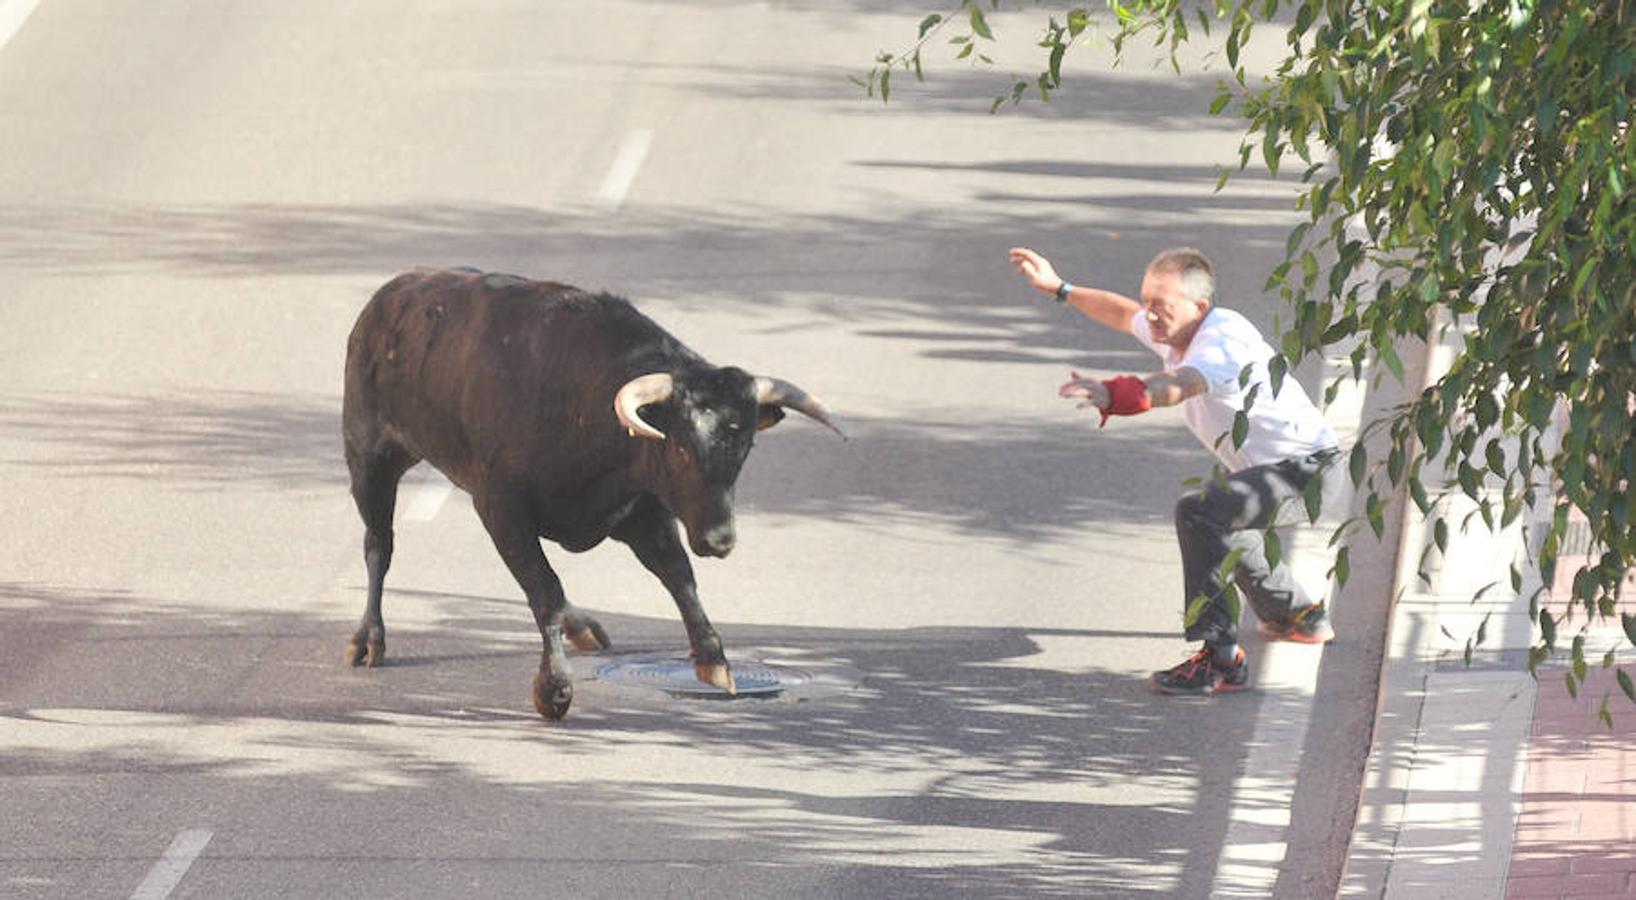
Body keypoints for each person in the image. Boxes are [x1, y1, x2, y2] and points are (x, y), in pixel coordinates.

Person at [1009, 245, 1342, 695]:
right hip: (1284, 469)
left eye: (1160, 307)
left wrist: (1117, 395)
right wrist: (1060, 288)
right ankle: (1298, 615)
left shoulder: (1220, 343)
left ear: (1199, 307)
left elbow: (1179, 386)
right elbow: (1122, 312)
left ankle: (1221, 660)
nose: (1150, 317)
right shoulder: (1177, 327)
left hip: (1309, 474)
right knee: (1225, 525)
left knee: (1200, 512)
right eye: (1149, 304)